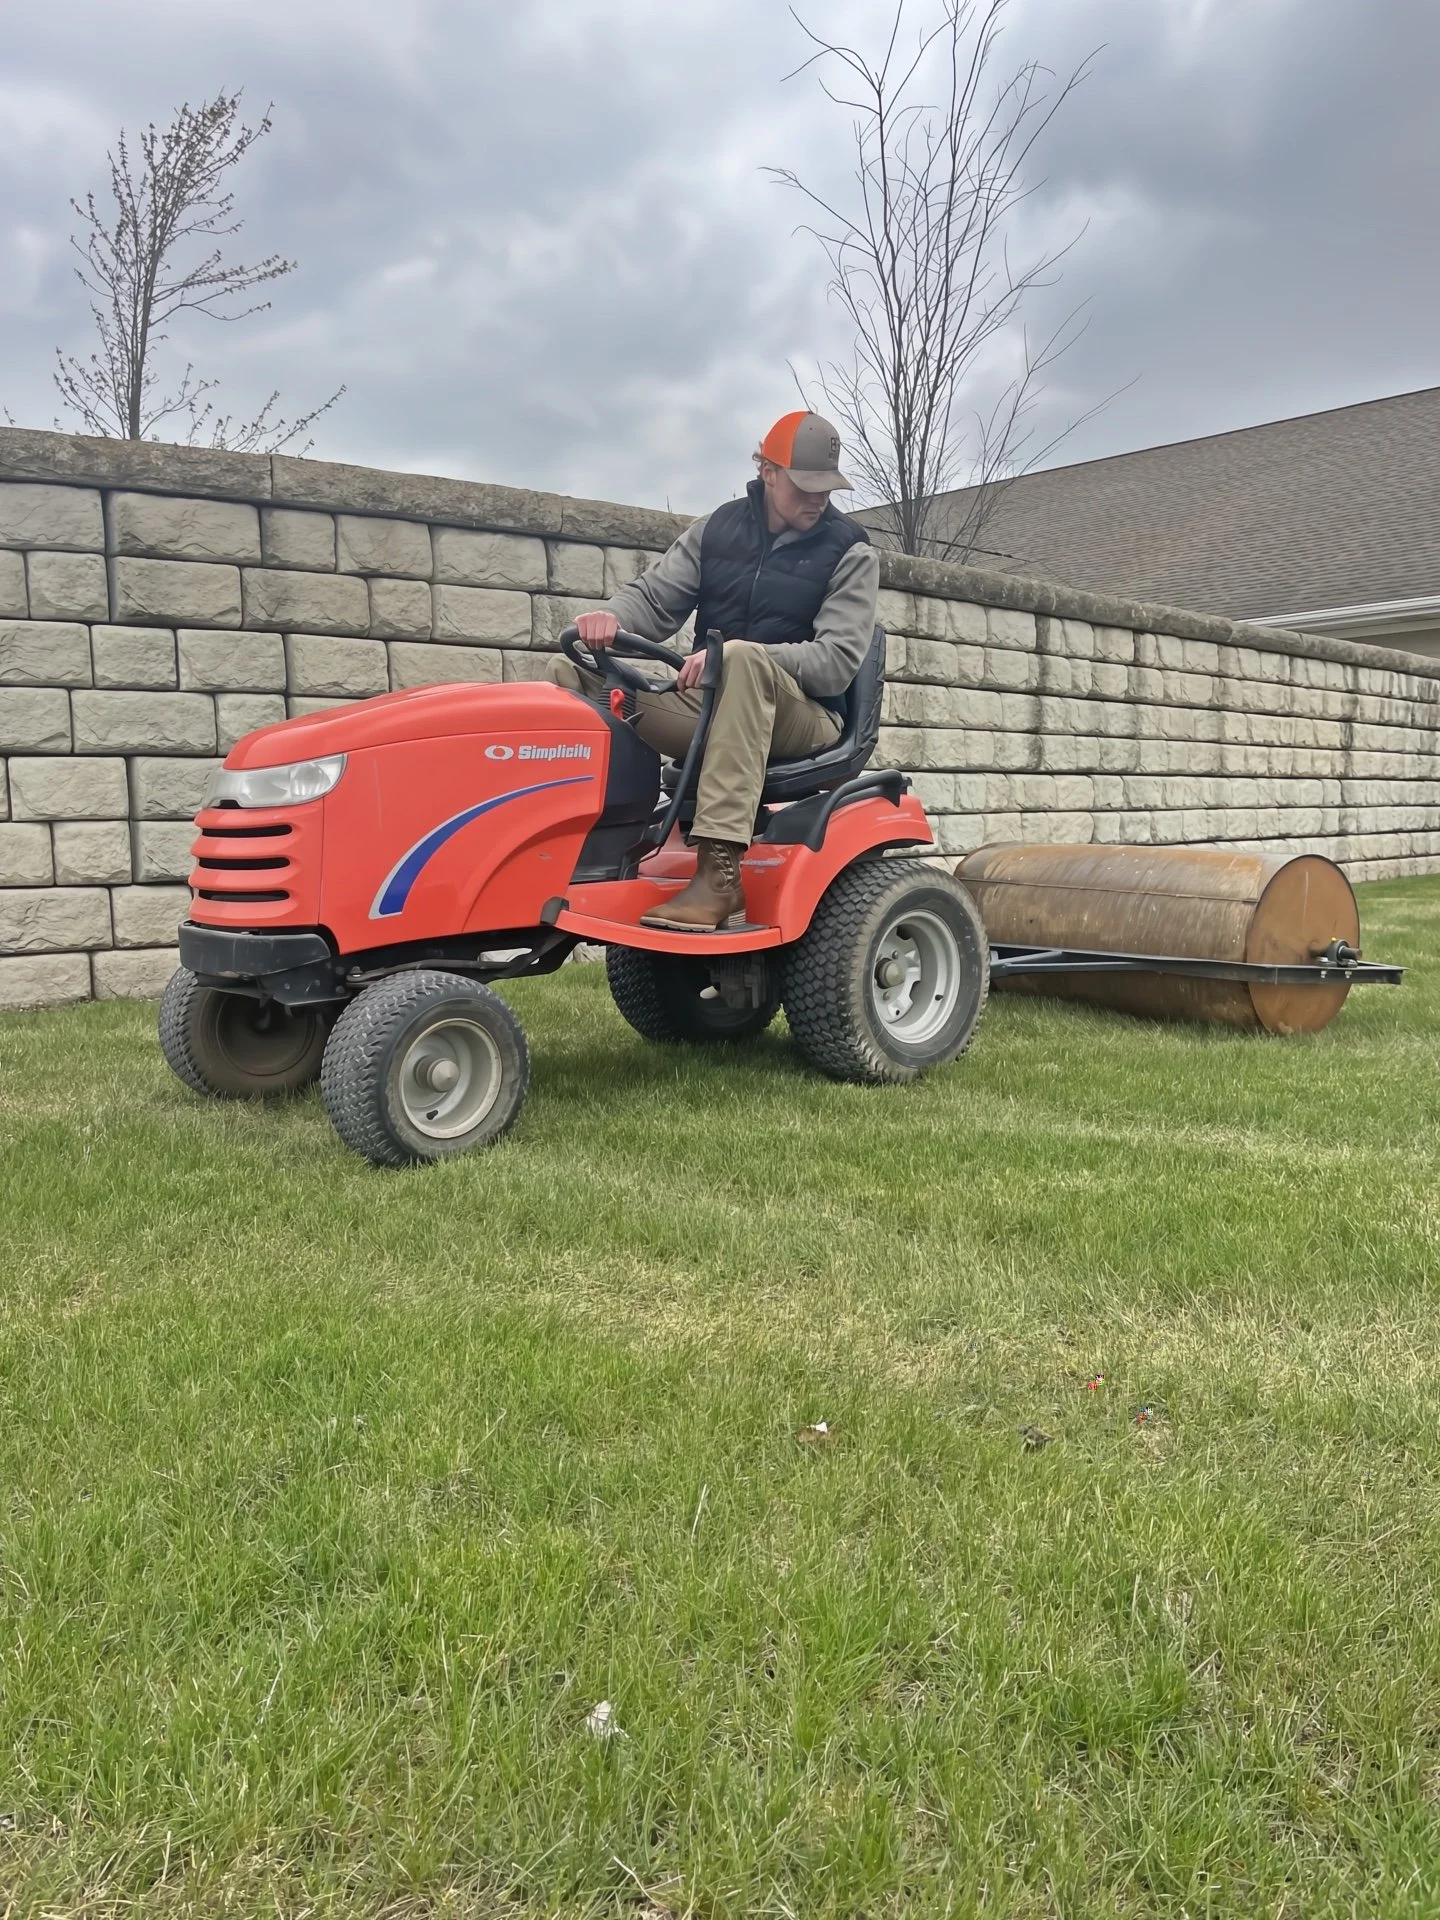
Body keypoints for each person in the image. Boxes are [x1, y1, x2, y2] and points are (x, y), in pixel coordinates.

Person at [548, 410, 880, 931]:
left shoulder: (850, 550)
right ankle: (588, 842)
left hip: (807, 716)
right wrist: (610, 618)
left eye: (827, 487)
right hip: (715, 708)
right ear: (767, 471)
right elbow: (655, 600)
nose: (819, 498)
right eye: (805, 485)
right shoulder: (717, 531)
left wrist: (740, 654)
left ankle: (719, 877)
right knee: (574, 675)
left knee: (744, 659)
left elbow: (836, 664)